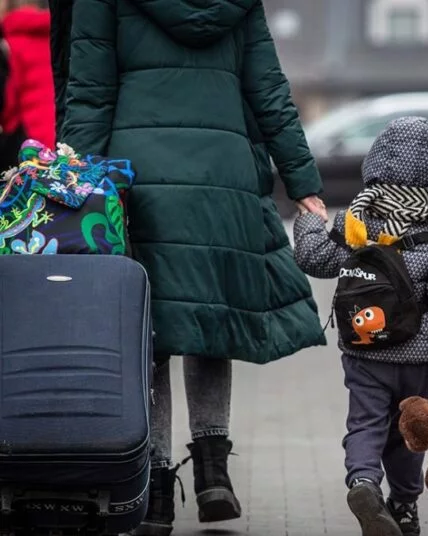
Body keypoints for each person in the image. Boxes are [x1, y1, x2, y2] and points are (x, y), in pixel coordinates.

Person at [52, 1, 328, 534]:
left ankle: (154, 486)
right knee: (208, 321)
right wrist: (303, 182)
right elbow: (267, 87)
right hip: (221, 180)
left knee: (147, 333)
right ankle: (212, 471)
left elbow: (89, 91)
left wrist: (76, 186)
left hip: (140, 177)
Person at [294, 117, 428, 536]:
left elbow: (312, 259)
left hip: (363, 350)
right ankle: (405, 506)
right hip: (417, 358)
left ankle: (362, 482)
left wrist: (309, 218)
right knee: (411, 430)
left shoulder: (354, 227)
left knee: (365, 422)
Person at [0, 0, 55, 164]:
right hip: (64, 132)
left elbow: (9, 108)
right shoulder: (54, 35)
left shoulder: (8, 44)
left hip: (31, 145)